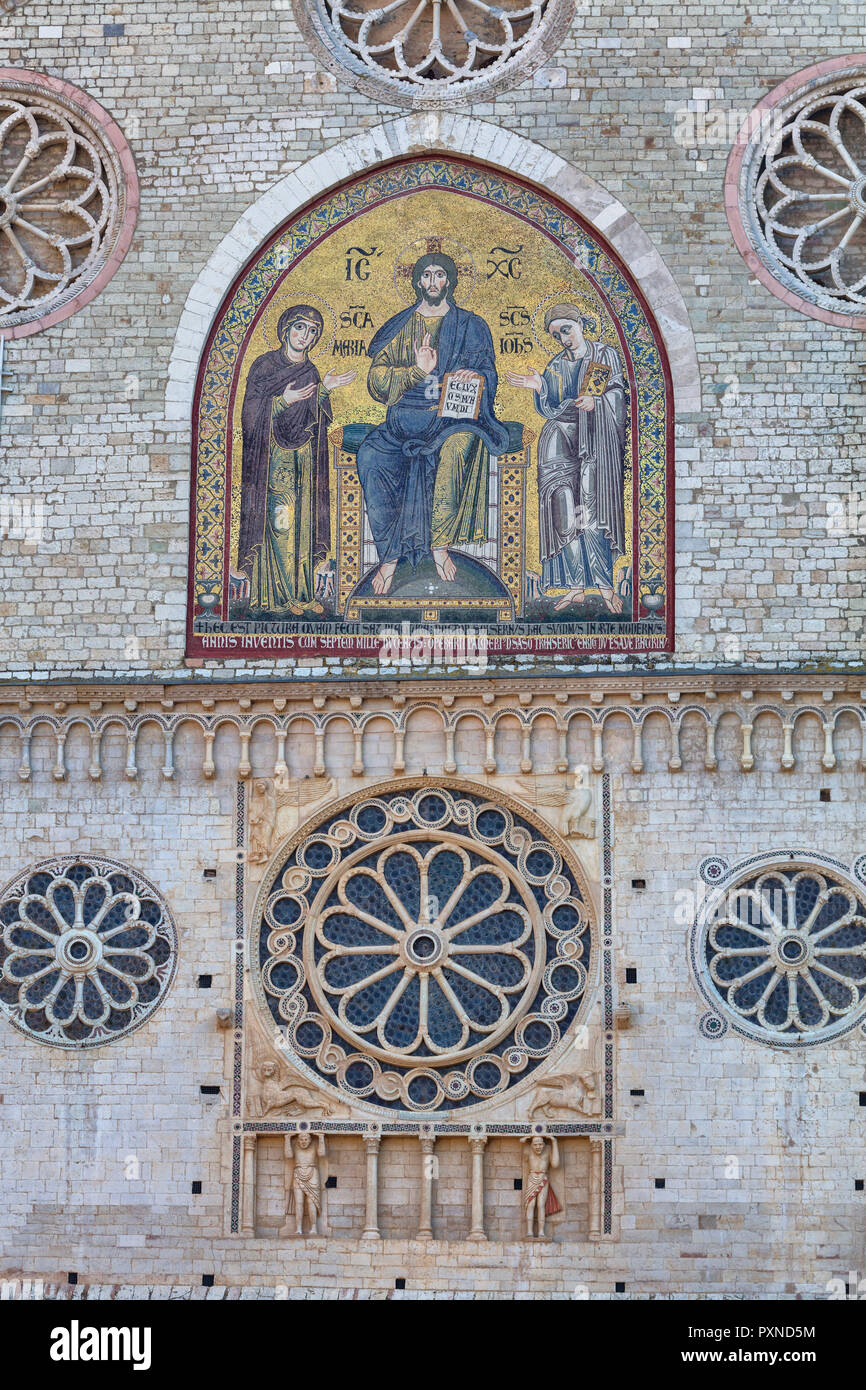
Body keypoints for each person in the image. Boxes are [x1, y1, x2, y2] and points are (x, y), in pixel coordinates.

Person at [357, 252, 510, 594]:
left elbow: (489, 373)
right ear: (416, 282)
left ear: (450, 281)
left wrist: (476, 377)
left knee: (456, 449)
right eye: (426, 276)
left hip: (450, 421)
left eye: (440, 275)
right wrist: (417, 371)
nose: (432, 282)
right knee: (370, 456)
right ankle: (388, 558)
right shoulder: (401, 325)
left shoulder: (471, 325)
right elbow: (376, 379)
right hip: (401, 423)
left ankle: (439, 548)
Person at [233, 304, 355, 616]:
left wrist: (325, 389)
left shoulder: (310, 371)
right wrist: (281, 401)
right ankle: (276, 597)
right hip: (274, 458)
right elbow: (249, 415)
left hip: (305, 457)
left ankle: (302, 595)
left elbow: (316, 416)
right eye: (300, 327)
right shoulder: (264, 366)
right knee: (280, 522)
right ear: (286, 328)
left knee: (304, 524)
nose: (305, 336)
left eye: (313, 331)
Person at [507, 302, 626, 613]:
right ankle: (575, 587)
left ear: (581, 325)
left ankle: (604, 586)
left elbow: (615, 393)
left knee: (589, 511)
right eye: (557, 334)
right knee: (563, 514)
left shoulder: (602, 355)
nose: (563, 338)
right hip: (558, 440)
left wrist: (596, 401)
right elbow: (550, 410)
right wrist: (539, 387)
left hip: (592, 439)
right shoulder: (556, 366)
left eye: (567, 330)